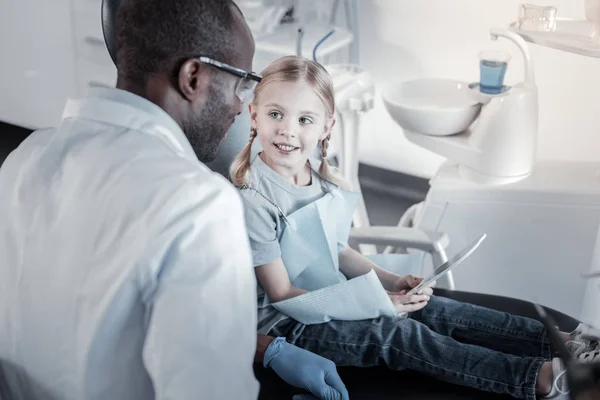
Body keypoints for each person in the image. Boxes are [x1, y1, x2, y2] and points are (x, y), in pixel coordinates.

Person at [0, 1, 348, 399]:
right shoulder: (198, 206)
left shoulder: (25, 158)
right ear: (193, 77)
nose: (240, 105)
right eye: (240, 82)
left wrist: (266, 348)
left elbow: (85, 321)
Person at [230, 54, 600, 400]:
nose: (287, 131)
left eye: (304, 120)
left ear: (327, 126)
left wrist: (391, 283)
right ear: (253, 115)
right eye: (275, 114)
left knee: (433, 310)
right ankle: (538, 378)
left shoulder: (320, 180)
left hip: (333, 297)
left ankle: (569, 344)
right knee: (396, 333)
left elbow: (336, 250)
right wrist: (375, 303)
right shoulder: (254, 200)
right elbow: (281, 294)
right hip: (289, 325)